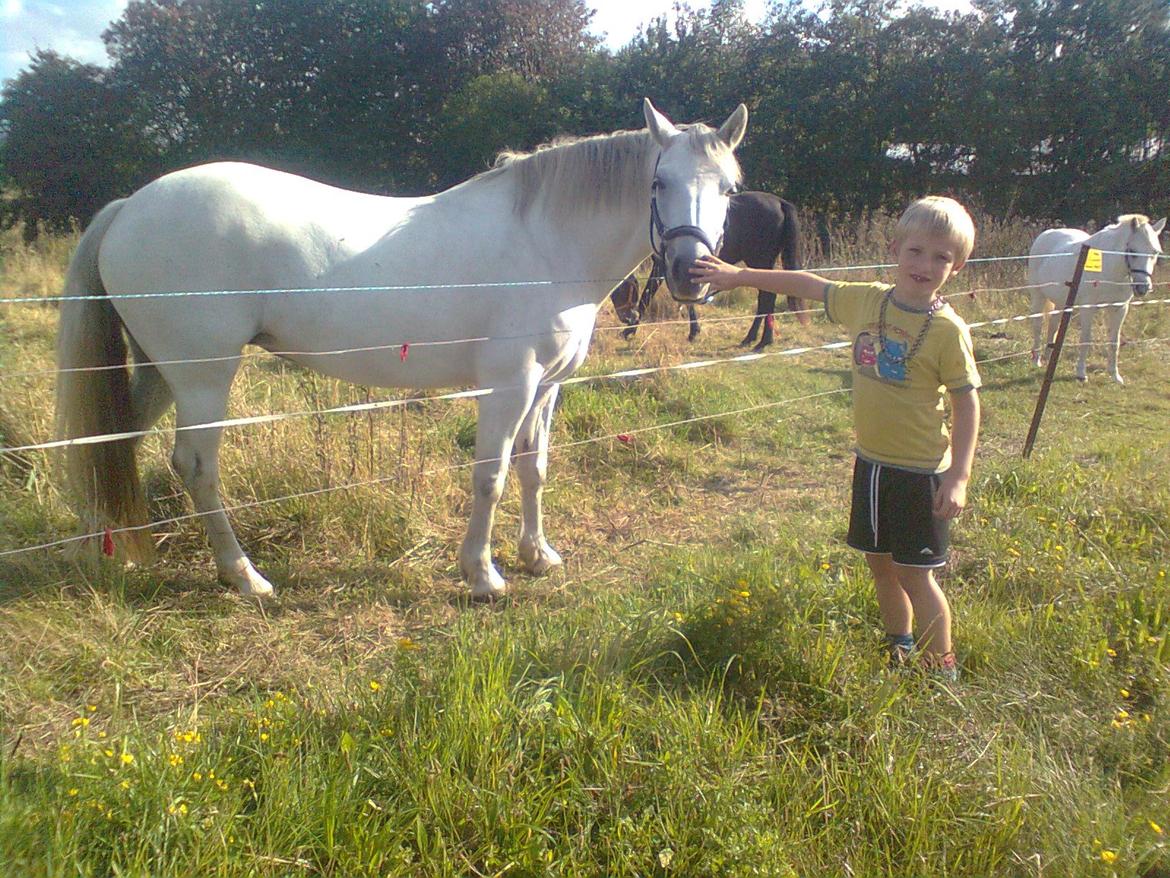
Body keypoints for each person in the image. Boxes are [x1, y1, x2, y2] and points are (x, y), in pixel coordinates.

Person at [690, 196, 981, 681]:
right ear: (894, 249)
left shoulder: (948, 331)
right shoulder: (866, 301)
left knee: (916, 574)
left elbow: (967, 402)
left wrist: (959, 476)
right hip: (871, 464)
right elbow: (807, 283)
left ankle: (940, 668)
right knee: (880, 564)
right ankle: (899, 645)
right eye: (915, 251)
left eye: (940, 257)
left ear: (958, 265)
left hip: (921, 473)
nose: (924, 265)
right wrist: (738, 276)